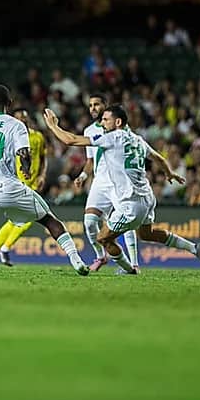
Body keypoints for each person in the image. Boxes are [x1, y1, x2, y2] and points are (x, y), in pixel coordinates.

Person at [44, 105, 200, 273]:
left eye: (105, 120)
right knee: (147, 234)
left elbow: (71, 140)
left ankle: (129, 270)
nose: (102, 124)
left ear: (118, 122)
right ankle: (195, 248)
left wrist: (53, 126)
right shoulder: (137, 139)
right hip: (147, 198)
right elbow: (159, 158)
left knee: (103, 238)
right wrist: (169, 173)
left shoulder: (113, 137)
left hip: (131, 203)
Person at [0, 85, 89, 276]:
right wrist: (25, 166)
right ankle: (77, 260)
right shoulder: (16, 125)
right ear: (9, 103)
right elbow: (24, 152)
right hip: (10, 189)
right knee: (48, 219)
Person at [75, 93, 139, 272]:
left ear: (106, 105)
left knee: (126, 221)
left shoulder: (122, 130)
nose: (93, 108)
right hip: (100, 182)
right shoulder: (89, 131)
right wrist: (82, 176)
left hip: (119, 182)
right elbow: (90, 161)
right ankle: (101, 256)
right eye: (90, 105)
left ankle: (133, 263)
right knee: (89, 222)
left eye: (97, 104)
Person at [0, 108, 48, 266]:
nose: (23, 120)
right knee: (32, 216)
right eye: (19, 118)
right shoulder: (10, 137)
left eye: (24, 117)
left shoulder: (38, 136)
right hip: (18, 183)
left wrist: (43, 175)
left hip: (34, 183)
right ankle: (3, 248)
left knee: (16, 220)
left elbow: (44, 158)